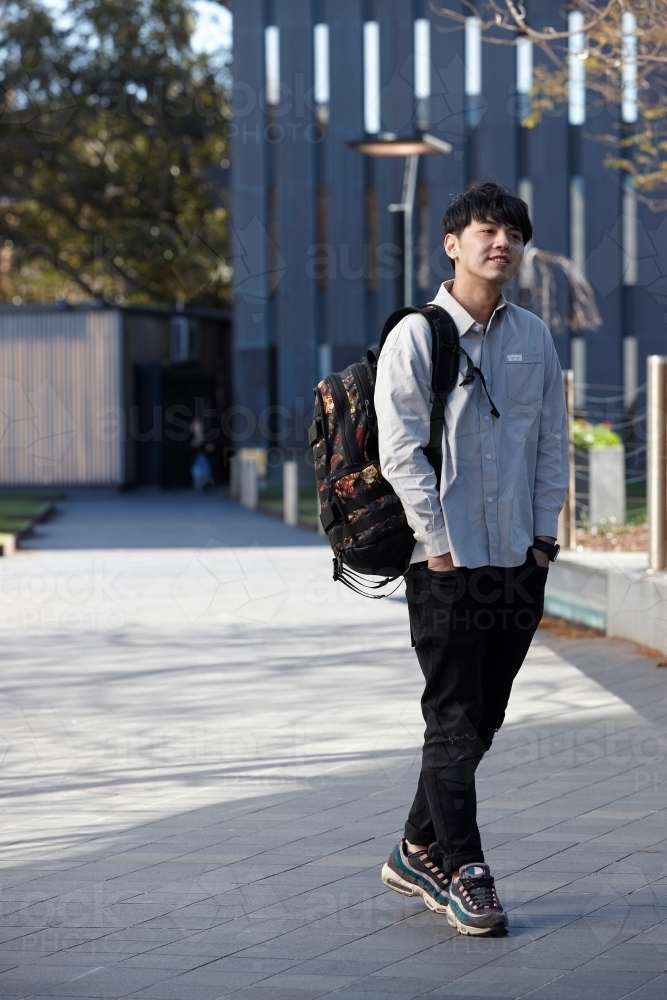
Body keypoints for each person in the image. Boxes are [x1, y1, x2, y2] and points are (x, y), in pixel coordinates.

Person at [374, 182, 568, 936]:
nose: (502, 244)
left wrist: (543, 539)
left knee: (483, 716)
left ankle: (414, 845)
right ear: (451, 245)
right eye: (487, 231)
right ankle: (464, 869)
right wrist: (439, 546)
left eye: (513, 234)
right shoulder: (417, 336)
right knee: (452, 717)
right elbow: (398, 451)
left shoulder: (533, 337)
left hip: (518, 559)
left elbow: (551, 442)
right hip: (444, 564)